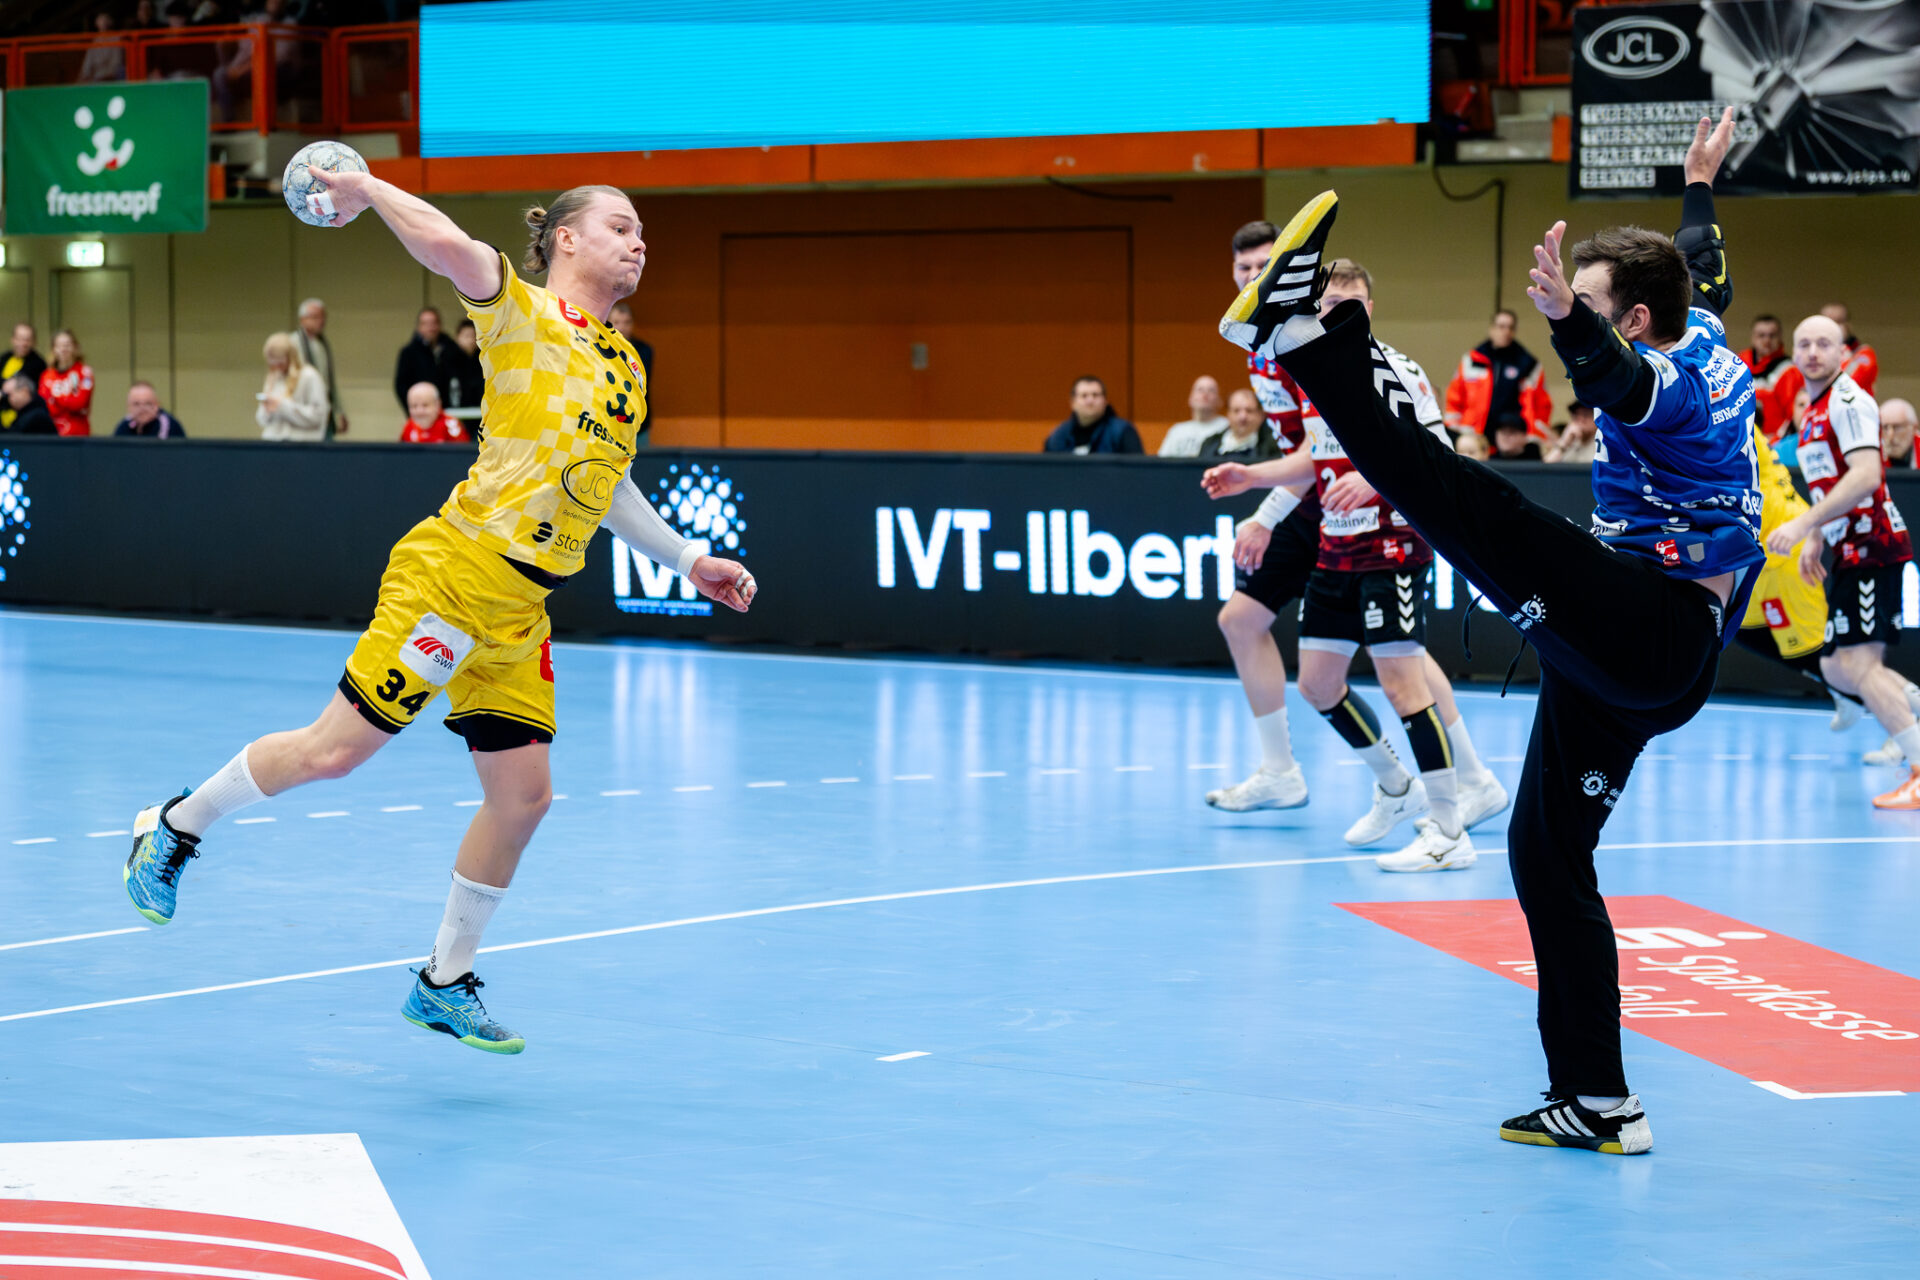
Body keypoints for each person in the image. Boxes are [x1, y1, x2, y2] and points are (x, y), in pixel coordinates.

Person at [1218, 109, 1761, 1155]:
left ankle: (1297, 338)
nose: (1572, 312)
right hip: (1633, 657)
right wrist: (1700, 182)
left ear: (1633, 318)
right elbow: (1703, 265)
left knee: (1462, 501)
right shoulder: (1702, 326)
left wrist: (1567, 325)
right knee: (1545, 853)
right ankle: (1598, 1099)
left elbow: (1620, 381)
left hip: (1650, 625)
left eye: (1591, 304)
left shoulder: (1675, 384)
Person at [124, 177, 758, 1057]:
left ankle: (444, 982)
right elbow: (444, 243)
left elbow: (604, 484)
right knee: (334, 752)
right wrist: (363, 185)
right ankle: (174, 825)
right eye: (620, 226)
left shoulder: (625, 362)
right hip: (455, 577)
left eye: (642, 230)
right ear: (567, 239)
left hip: (521, 609)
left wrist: (688, 559)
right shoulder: (520, 312)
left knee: (524, 799)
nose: (639, 241)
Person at [1203, 260, 1506, 869]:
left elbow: (1438, 450)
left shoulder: (1395, 369)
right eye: (1330, 305)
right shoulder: (1316, 375)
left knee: (1402, 683)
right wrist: (1251, 477)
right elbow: (1317, 456)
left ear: (1369, 310)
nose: (1340, 313)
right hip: (1335, 546)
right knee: (1316, 682)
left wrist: (1373, 482)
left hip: (1392, 545)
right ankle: (1396, 788)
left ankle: (1449, 830)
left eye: (1353, 304)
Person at [1765, 315, 1920, 805]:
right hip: (1849, 547)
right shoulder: (1813, 408)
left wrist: (1803, 525)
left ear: (1842, 353)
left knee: (1858, 663)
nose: (1813, 352)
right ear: (1794, 353)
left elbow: (1867, 475)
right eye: (1804, 344)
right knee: (1834, 666)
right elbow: (1830, 480)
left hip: (1873, 544)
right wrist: (1819, 536)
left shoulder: (1849, 400)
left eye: (1824, 344)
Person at [1445, 308, 1552, 441]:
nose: (1506, 332)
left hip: (1511, 438)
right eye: (1501, 326)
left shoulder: (1528, 364)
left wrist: (1532, 439)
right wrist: (1454, 434)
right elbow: (1454, 399)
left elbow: (1542, 406)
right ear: (1491, 329)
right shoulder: (1472, 360)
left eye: (1510, 328)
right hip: (1473, 436)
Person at [255, 332, 329, 441]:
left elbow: (318, 416)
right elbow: (262, 419)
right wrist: (267, 409)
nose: (277, 367)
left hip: (301, 443)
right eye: (272, 363)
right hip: (274, 442)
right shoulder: (273, 378)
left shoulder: (309, 376)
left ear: (290, 358)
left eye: (280, 363)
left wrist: (283, 406)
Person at [1043, 377, 1142, 454]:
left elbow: (1136, 470)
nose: (1090, 401)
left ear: (1105, 401)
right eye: (1084, 396)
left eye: (1095, 395)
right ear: (1072, 403)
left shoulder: (1122, 431)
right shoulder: (1059, 435)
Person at [293, 298, 347, 437]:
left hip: (324, 408)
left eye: (323, 317)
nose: (321, 321)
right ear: (302, 319)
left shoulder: (323, 344)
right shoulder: (292, 343)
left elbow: (329, 381)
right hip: (303, 409)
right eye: (315, 317)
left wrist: (339, 410)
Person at [606, 301, 654, 444]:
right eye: (616, 322)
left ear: (633, 324)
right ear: (607, 323)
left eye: (627, 322)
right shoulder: (599, 347)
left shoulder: (644, 350)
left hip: (638, 424)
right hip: (608, 421)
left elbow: (638, 382)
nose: (622, 327)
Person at [1738, 314, 1792, 439]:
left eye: (1772, 335)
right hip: (1743, 439)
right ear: (1753, 338)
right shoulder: (1739, 363)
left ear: (1780, 337)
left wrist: (1776, 440)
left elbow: (1792, 416)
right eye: (1761, 335)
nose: (1767, 340)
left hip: (1774, 441)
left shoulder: (1789, 370)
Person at [1193, 388, 1281, 461]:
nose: (1243, 417)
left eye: (1249, 411)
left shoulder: (1274, 446)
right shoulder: (1209, 444)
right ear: (1228, 414)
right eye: (1236, 411)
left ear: (1261, 415)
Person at [394, 306, 452, 409]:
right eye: (426, 324)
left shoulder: (451, 349)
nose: (431, 327)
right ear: (418, 327)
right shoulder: (408, 352)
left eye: (434, 323)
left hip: (449, 409)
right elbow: (401, 385)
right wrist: (414, 408)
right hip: (421, 410)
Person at [38, 330, 94, 436]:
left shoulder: (84, 372)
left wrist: (56, 397)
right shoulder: (47, 375)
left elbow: (79, 403)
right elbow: (44, 406)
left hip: (77, 433)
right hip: (52, 432)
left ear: (75, 347)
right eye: (59, 346)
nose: (63, 349)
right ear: (53, 349)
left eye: (67, 345)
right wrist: (67, 398)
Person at [1160, 375, 1229, 457]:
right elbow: (1163, 461)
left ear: (1219, 401)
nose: (1205, 394)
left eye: (1211, 390)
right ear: (1190, 398)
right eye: (1200, 390)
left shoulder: (1228, 428)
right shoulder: (1177, 431)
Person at [1, 325, 47, 432]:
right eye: (19, 339)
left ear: (34, 342)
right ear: (13, 339)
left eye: (27, 340)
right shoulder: (5, 358)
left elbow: (15, 385)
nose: (22, 343)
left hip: (23, 421)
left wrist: (6, 389)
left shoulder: (38, 363)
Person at [400, 380, 471, 444]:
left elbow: (462, 452)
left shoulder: (450, 425)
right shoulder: (409, 426)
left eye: (425, 405)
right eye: (414, 406)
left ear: (437, 405)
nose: (419, 412)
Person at [112, 381, 187, 438]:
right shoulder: (125, 424)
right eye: (136, 404)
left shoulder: (169, 425)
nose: (142, 409)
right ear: (129, 407)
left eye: (148, 403)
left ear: (157, 405)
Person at [444, 318, 486, 414]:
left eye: (473, 336)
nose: (470, 340)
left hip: (479, 411)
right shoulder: (448, 358)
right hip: (454, 411)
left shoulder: (483, 359)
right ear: (457, 337)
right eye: (466, 336)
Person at [1881, 398, 1916, 469]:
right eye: (1885, 428)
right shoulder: (1871, 455)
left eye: (1897, 427)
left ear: (1914, 428)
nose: (1890, 435)